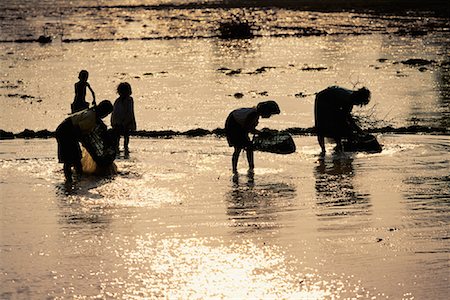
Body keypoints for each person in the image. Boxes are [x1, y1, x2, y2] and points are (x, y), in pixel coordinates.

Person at [56, 100, 113, 182]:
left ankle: (76, 180)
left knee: (77, 159)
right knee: (69, 160)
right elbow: (77, 131)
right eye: (106, 114)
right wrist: (86, 144)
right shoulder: (90, 118)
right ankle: (69, 181)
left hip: (66, 131)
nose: (105, 116)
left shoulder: (91, 113)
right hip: (65, 133)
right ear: (103, 112)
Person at [225, 100, 280, 175]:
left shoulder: (255, 114)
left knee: (248, 147)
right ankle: (235, 169)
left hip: (238, 124)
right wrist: (260, 133)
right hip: (233, 125)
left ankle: (250, 167)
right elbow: (248, 128)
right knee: (238, 148)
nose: (270, 116)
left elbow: (249, 128)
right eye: (270, 114)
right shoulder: (253, 114)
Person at [314, 86, 371, 155]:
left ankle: (339, 146)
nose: (359, 105)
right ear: (359, 98)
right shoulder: (348, 98)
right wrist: (358, 131)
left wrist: (357, 131)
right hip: (322, 98)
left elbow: (346, 117)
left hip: (333, 100)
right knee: (321, 125)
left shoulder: (352, 97)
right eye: (360, 103)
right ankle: (323, 150)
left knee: (338, 124)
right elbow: (345, 117)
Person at [111, 82, 137, 155]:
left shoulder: (129, 100)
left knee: (126, 136)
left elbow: (130, 112)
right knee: (118, 137)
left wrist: (130, 122)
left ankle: (125, 148)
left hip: (126, 121)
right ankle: (119, 149)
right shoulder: (118, 101)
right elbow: (115, 113)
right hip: (118, 122)